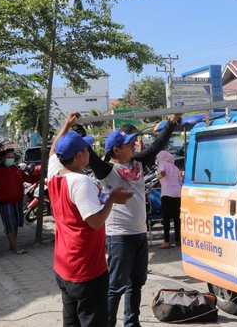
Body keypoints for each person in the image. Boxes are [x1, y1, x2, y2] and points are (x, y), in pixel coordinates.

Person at [88, 113, 182, 327]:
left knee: (136, 283)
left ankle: (132, 323)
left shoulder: (137, 164)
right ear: (116, 150)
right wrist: (73, 131)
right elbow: (91, 156)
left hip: (139, 234)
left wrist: (170, 123)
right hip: (119, 237)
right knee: (116, 286)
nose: (134, 146)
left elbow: (157, 146)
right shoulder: (107, 170)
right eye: (129, 144)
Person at [47, 112, 133, 327]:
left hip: (64, 266)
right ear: (78, 155)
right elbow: (95, 222)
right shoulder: (80, 182)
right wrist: (112, 199)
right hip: (86, 269)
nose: (89, 152)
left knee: (72, 322)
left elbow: (53, 151)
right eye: (86, 149)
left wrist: (65, 127)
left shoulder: (56, 173)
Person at [0, 148, 39, 253]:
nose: (11, 159)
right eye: (9, 157)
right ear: (3, 158)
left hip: (17, 201)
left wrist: (39, 175)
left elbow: (28, 178)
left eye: (12, 157)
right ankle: (15, 247)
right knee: (9, 224)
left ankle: (12, 244)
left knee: (15, 223)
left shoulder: (17, 169)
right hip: (5, 203)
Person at [155, 150, 182, 249]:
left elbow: (162, 173)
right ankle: (178, 240)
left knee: (166, 218)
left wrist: (157, 177)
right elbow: (179, 181)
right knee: (176, 218)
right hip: (178, 193)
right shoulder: (175, 167)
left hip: (167, 193)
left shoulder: (162, 163)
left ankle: (166, 242)